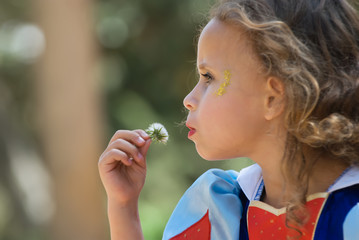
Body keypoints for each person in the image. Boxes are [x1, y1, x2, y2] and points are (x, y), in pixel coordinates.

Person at [98, 0, 359, 239]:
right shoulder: (219, 209)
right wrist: (123, 207)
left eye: (208, 77)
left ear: (273, 98)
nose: (188, 99)